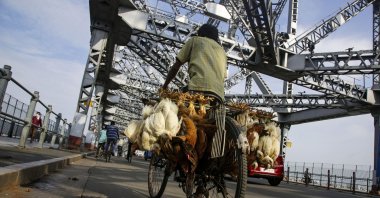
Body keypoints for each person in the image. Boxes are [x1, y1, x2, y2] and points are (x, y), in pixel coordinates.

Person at [162, 24, 228, 158]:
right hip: (219, 94)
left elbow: (176, 66)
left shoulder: (194, 41)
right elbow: (223, 76)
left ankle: (180, 150)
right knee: (210, 123)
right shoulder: (222, 51)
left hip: (197, 88)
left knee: (183, 116)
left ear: (200, 33)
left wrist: (165, 85)